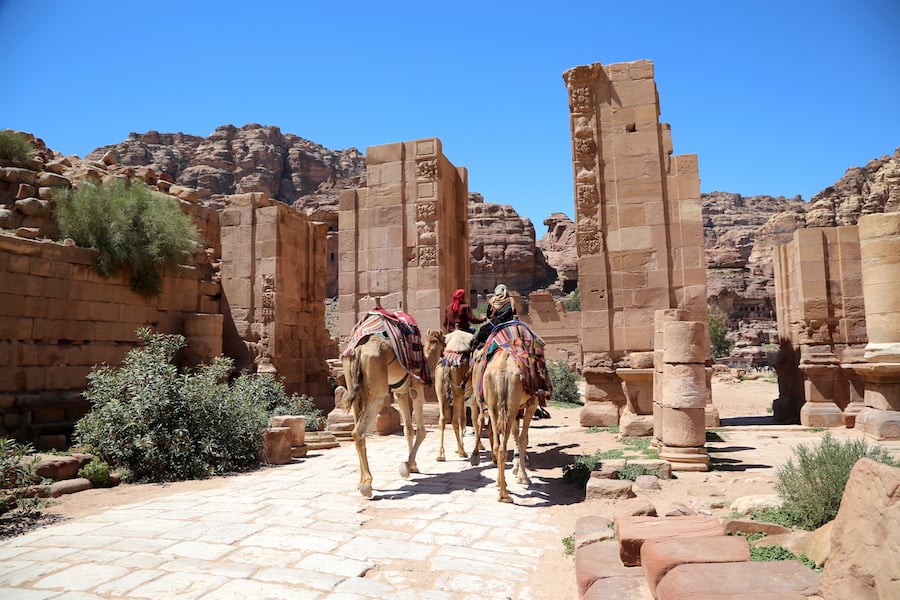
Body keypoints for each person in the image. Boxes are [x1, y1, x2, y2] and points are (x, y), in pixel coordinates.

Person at [471, 283, 517, 350]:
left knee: (482, 331)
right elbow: (514, 313)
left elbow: (489, 316)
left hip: (495, 325)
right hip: (509, 325)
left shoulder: (493, 301)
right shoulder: (511, 301)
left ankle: (472, 352)